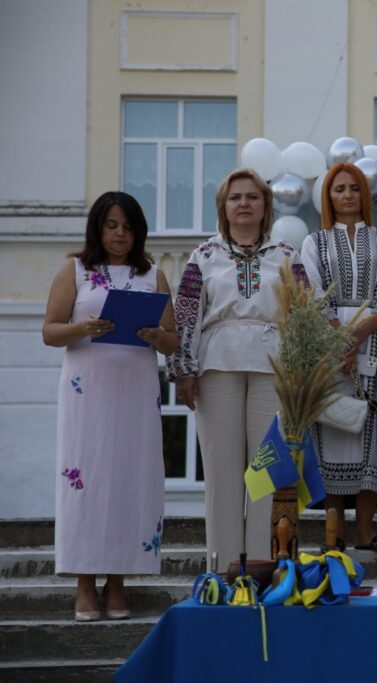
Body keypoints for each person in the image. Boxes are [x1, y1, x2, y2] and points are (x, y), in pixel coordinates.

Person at [168, 168, 312, 571]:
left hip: (276, 368)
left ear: (266, 206)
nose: (244, 204)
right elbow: (186, 316)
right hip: (217, 365)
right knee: (221, 473)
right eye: (236, 198)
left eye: (252, 197)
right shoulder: (203, 256)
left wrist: (303, 375)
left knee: (269, 472)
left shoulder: (288, 254)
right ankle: (223, 570)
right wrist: (183, 370)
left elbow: (305, 317)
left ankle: (267, 569)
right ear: (223, 207)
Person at [43, 191, 177, 621]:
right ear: (97, 228)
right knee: (87, 480)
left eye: (128, 226)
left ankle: (118, 583)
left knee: (131, 481)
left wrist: (156, 337)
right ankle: (84, 583)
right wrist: (83, 328)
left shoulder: (153, 274)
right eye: (112, 225)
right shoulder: (75, 269)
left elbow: (173, 340)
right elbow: (50, 331)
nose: (120, 234)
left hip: (136, 393)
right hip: (88, 393)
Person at [300, 162, 377, 552]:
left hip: (376, 341)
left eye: (354, 188)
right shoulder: (315, 242)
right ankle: (334, 535)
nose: (347, 195)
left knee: (372, 432)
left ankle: (366, 532)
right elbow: (312, 293)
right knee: (330, 428)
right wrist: (339, 338)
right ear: (327, 196)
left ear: (365, 194)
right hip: (326, 347)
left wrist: (356, 334)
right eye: (339, 189)